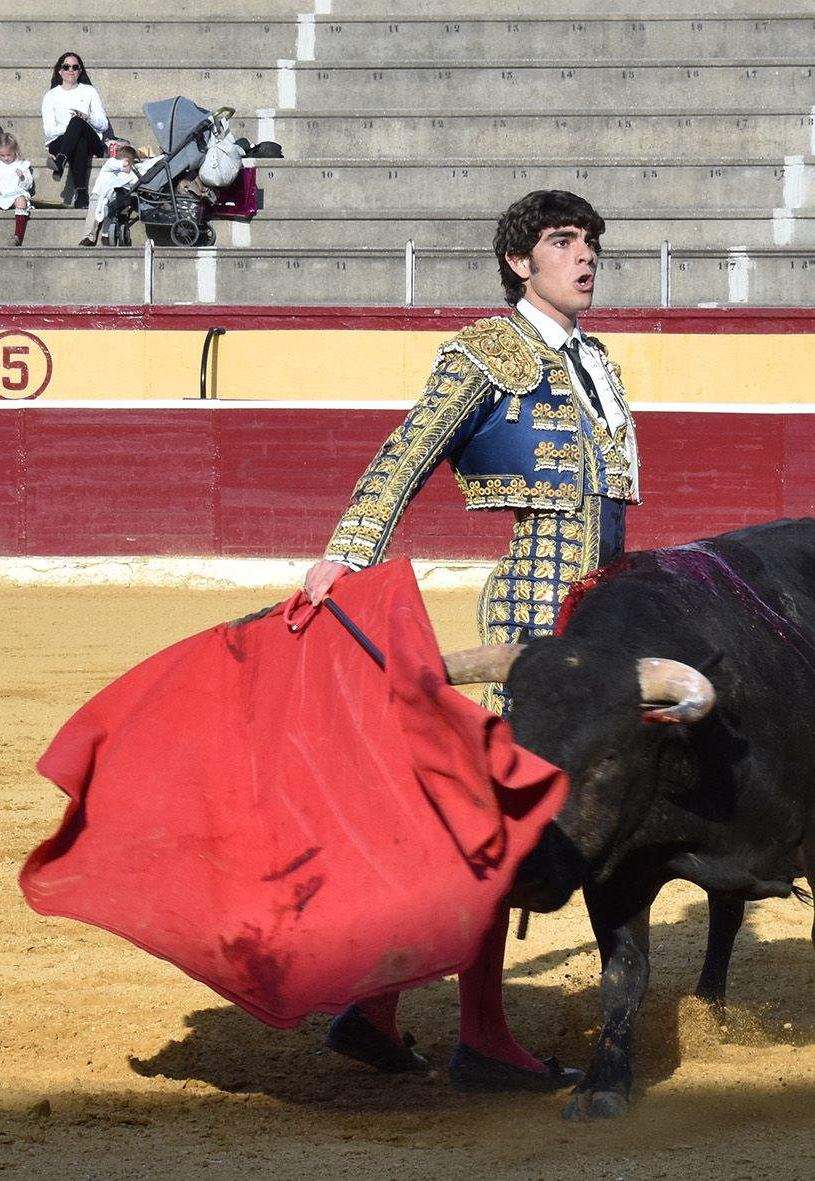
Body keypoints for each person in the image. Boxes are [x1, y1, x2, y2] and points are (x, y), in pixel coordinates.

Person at [301, 189, 640, 1093]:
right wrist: (344, 556)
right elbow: (407, 452)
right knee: (499, 827)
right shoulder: (486, 353)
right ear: (519, 264)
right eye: (563, 242)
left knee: (494, 825)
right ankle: (481, 1036)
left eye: (591, 242)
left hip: (595, 618)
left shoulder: (595, 360)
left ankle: (374, 1010)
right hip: (531, 615)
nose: (586, 255)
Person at [42, 52, 110, 209]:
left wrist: (85, 118)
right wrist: (72, 126)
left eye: (75, 67)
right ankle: (81, 194)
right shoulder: (51, 96)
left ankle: (60, 161)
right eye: (66, 66)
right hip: (60, 142)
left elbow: (103, 124)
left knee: (78, 123)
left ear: (80, 70)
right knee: (78, 138)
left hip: (92, 141)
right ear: (59, 71)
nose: (70, 70)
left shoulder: (89, 91)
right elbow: (50, 130)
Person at [78, 142, 141, 246]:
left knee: (110, 215)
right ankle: (88, 237)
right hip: (98, 195)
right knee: (92, 216)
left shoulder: (126, 174)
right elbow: (113, 163)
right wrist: (123, 164)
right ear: (126, 161)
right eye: (131, 164)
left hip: (112, 198)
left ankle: (106, 235)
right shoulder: (111, 164)